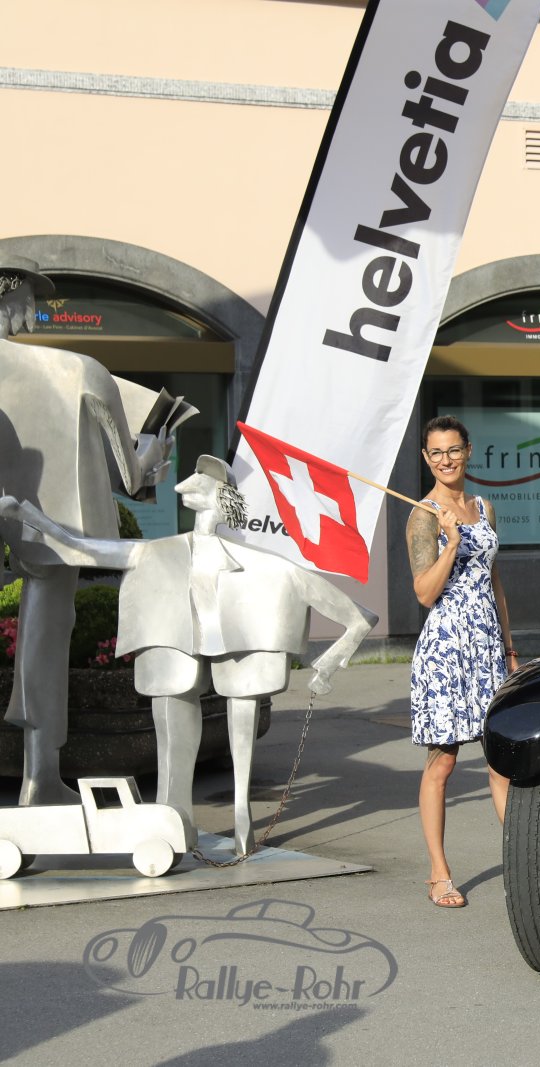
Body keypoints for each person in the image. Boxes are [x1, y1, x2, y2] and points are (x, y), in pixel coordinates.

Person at [0, 457, 375, 855]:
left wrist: (331, 660)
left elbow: (359, 618)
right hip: (175, 646)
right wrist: (27, 516)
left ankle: (241, 816)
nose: (188, 485)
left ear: (223, 496)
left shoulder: (265, 566)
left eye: (203, 480)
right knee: (172, 717)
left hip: (243, 650)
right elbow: (79, 548)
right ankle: (175, 816)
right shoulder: (157, 553)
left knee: (242, 709)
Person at [0, 255, 174, 805]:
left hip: (21, 521)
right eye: (30, 300)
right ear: (11, 292)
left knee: (43, 633)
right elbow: (132, 476)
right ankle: (40, 774)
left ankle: (40, 777)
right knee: (48, 634)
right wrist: (155, 452)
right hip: (57, 532)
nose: (34, 314)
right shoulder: (80, 370)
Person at [407, 415, 515, 908]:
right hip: (446, 650)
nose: (446, 459)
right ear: (426, 458)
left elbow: (494, 581)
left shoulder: (484, 507)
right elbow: (425, 593)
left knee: (502, 761)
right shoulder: (423, 515)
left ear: (468, 451)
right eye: (436, 453)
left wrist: (509, 650)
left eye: (453, 450)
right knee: (443, 762)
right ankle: (439, 874)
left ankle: (525, 863)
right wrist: (451, 543)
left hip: (488, 647)